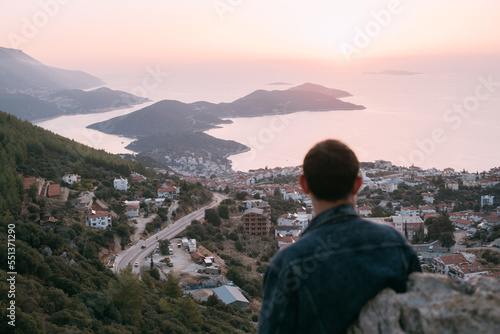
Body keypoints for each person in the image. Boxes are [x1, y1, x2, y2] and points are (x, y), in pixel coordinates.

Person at [258, 139, 421, 334]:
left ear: (304, 184)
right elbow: (417, 317)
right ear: (358, 184)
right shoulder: (395, 245)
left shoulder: (288, 265)